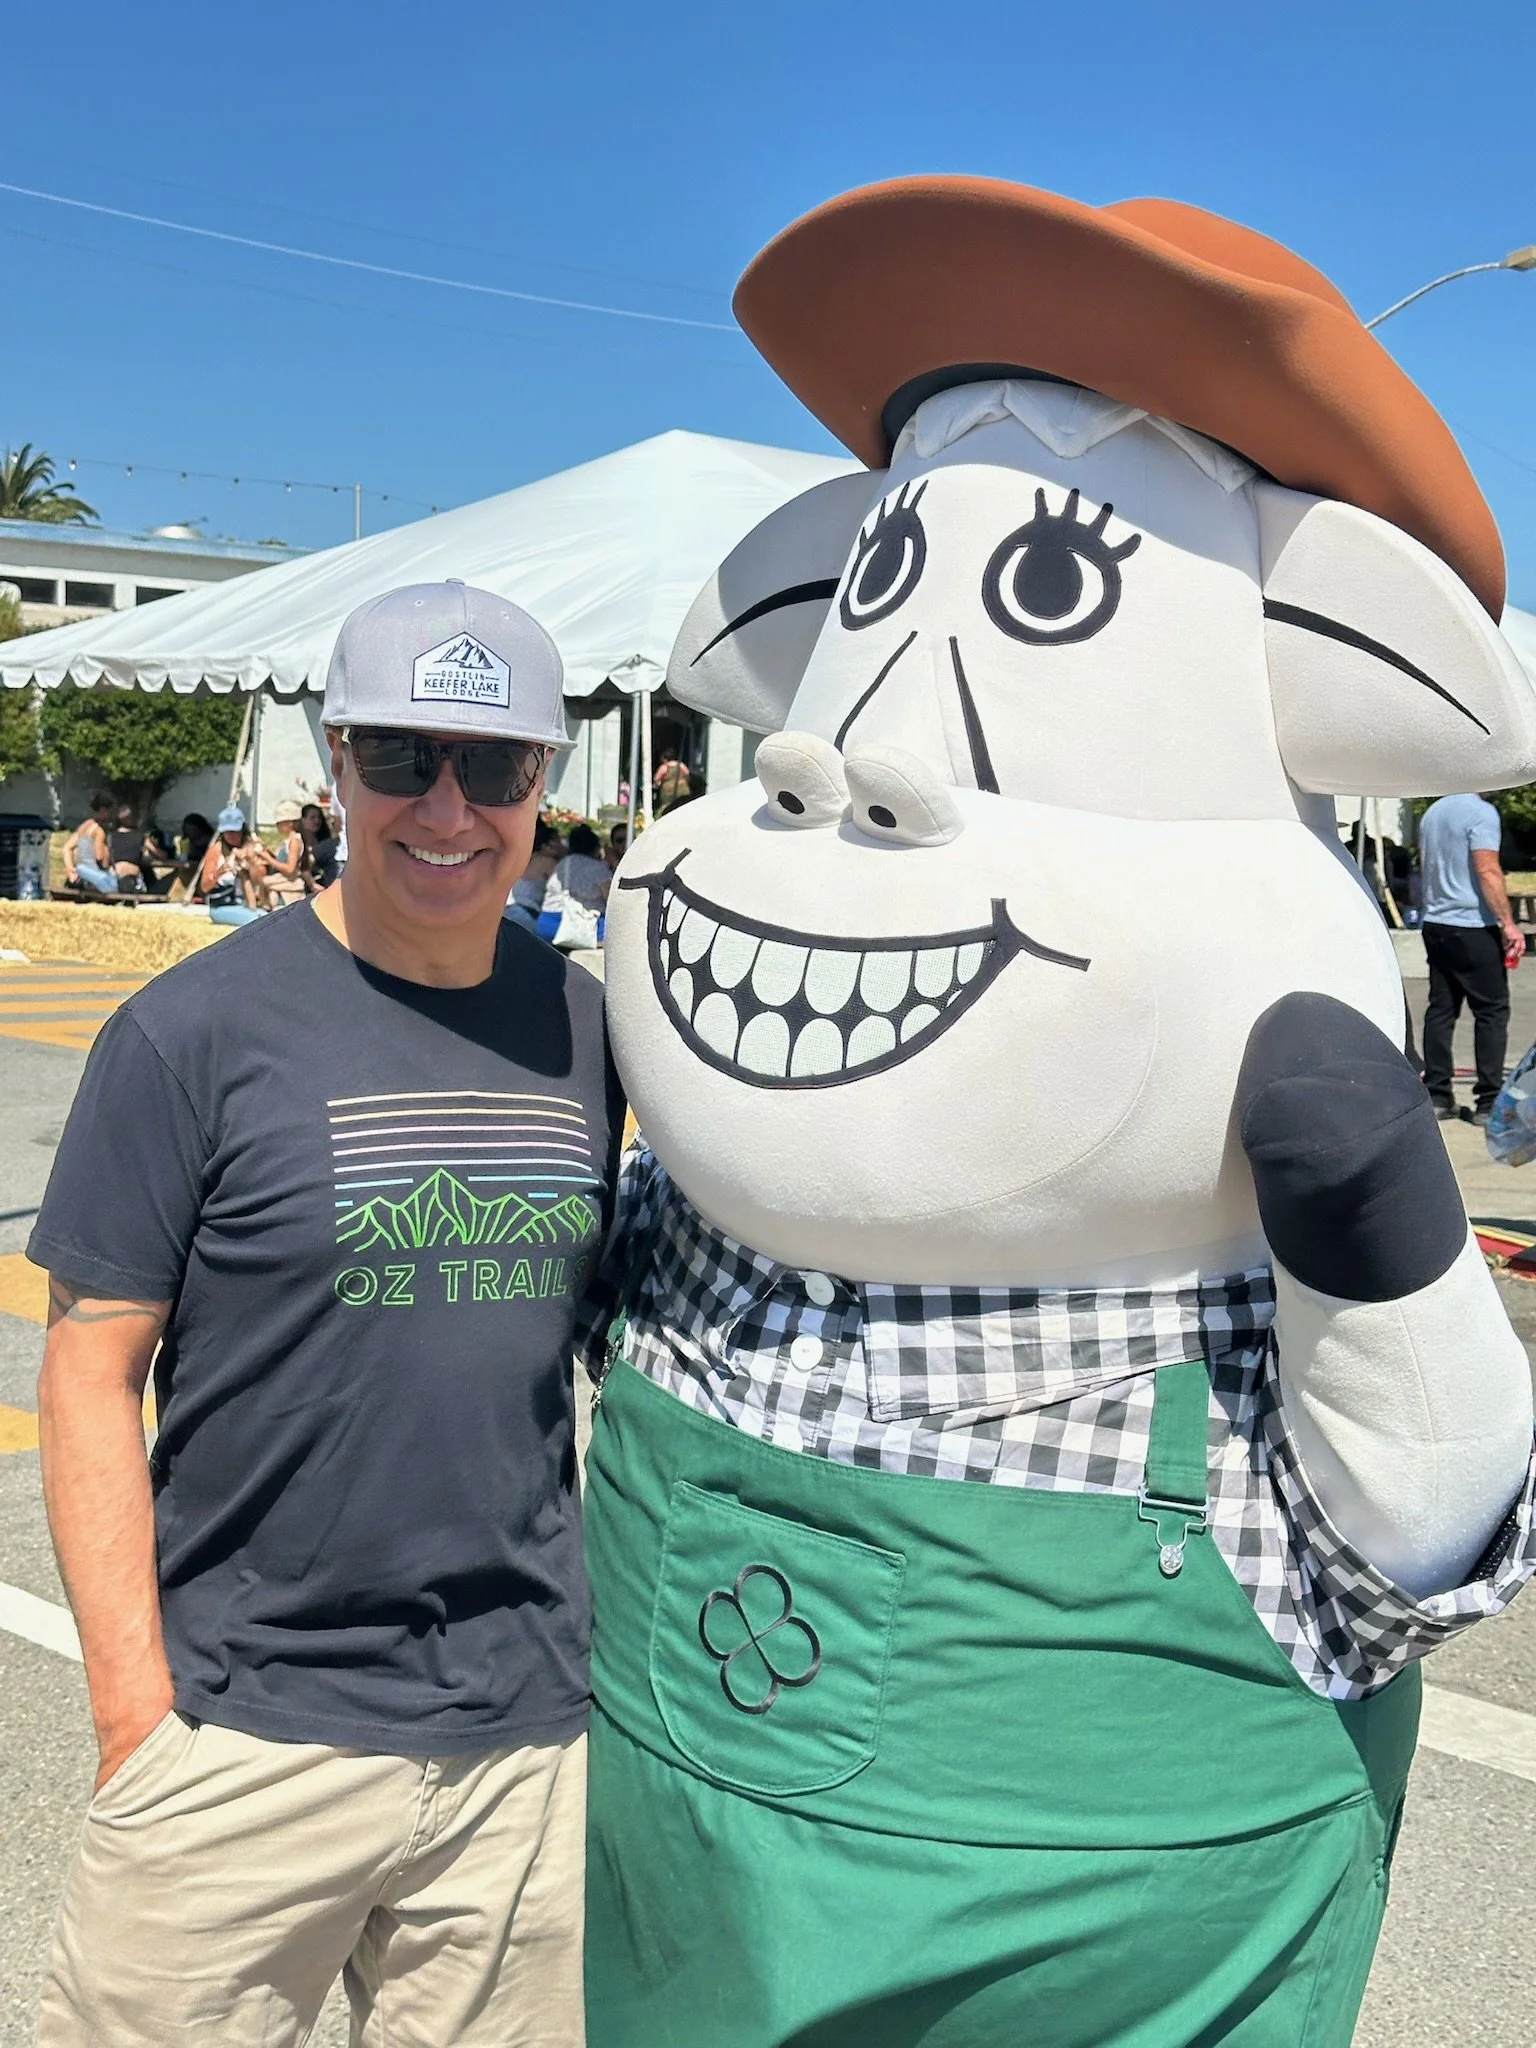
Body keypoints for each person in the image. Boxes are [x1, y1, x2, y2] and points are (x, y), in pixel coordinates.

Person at [30, 580, 623, 2047]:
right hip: (241, 1728)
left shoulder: (588, 1031)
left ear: (540, 783)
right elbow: (90, 1372)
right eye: (403, 756)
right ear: (335, 762)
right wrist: (134, 1720)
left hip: (523, 1749)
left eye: (494, 767)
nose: (448, 805)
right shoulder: (192, 1033)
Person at [1419, 791, 1526, 1124]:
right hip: (1472, 925)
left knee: (1441, 1009)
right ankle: (1488, 1100)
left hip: (1436, 921)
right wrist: (1508, 924)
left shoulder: (1434, 812)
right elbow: (1487, 869)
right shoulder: (1482, 814)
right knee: (1491, 1011)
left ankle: (1438, 1093)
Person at [197, 804, 269, 911]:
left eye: (235, 831)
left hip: (254, 902)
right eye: (227, 832)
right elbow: (204, 887)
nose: (231, 835)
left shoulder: (255, 846)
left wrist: (250, 863)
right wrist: (219, 873)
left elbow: (262, 880)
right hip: (225, 903)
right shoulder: (216, 849)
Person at [505, 817, 563, 932]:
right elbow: (560, 889)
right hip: (528, 912)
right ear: (545, 846)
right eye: (556, 843)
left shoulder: (525, 857)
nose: (560, 847)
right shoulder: (548, 862)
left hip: (509, 909)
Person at [62, 794, 118, 895]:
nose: (112, 815)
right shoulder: (99, 831)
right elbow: (99, 856)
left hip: (82, 871)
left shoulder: (84, 826)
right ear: (103, 810)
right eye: (111, 811)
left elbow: (67, 848)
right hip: (94, 874)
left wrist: (70, 868)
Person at [264, 799, 312, 903]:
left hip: (288, 889)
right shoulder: (289, 840)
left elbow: (290, 869)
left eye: (280, 823)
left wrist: (268, 859)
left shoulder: (294, 841)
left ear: (290, 823)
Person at [300, 801, 339, 889]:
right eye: (312, 818)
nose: (317, 821)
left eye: (319, 817)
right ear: (303, 820)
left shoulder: (325, 843)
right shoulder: (298, 840)